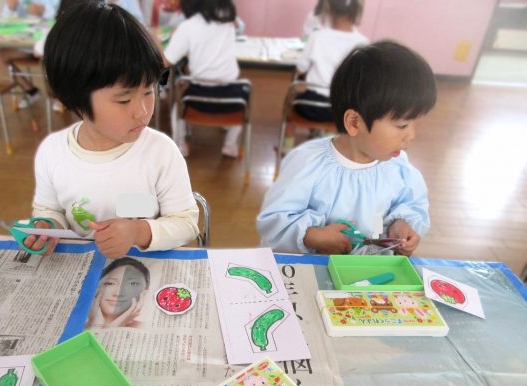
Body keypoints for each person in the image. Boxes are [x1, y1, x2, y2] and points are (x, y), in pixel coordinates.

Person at [24, 1, 199, 259]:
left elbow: (186, 223)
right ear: (74, 98)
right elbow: (49, 209)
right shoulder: (52, 153)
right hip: (81, 268)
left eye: (149, 91)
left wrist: (137, 232)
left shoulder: (160, 152)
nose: (142, 111)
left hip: (144, 266)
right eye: (124, 100)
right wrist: (47, 226)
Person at [256, 41, 437, 257]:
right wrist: (313, 236)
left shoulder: (398, 167)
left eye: (415, 124)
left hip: (368, 273)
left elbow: (411, 204)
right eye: (402, 125)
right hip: (314, 269)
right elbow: (274, 220)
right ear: (354, 122)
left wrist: (400, 224)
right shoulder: (308, 163)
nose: (412, 135)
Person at [164, 0, 248, 158]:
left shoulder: (188, 26)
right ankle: (230, 145)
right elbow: (238, 25)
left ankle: (180, 144)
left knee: (177, 108)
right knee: (246, 98)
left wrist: (155, 42)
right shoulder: (227, 20)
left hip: (198, 98)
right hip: (233, 98)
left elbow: (167, 60)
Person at [283, 0, 368, 152]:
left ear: (328, 9)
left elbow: (301, 68)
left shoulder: (317, 36)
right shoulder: (363, 43)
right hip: (340, 110)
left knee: (290, 107)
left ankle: (286, 149)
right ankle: (329, 140)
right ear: (356, 11)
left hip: (310, 105)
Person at [0, 0, 59, 109]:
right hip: (24, 44)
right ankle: (30, 90)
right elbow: (5, 21)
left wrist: (43, 10)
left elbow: (62, 15)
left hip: (47, 43)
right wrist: (11, 8)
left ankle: (59, 97)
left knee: (51, 57)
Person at [87, 257, 150, 327]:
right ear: (97, 288)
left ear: (145, 293)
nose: (117, 293)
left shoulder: (145, 328)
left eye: (132, 284)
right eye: (110, 283)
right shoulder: (80, 326)